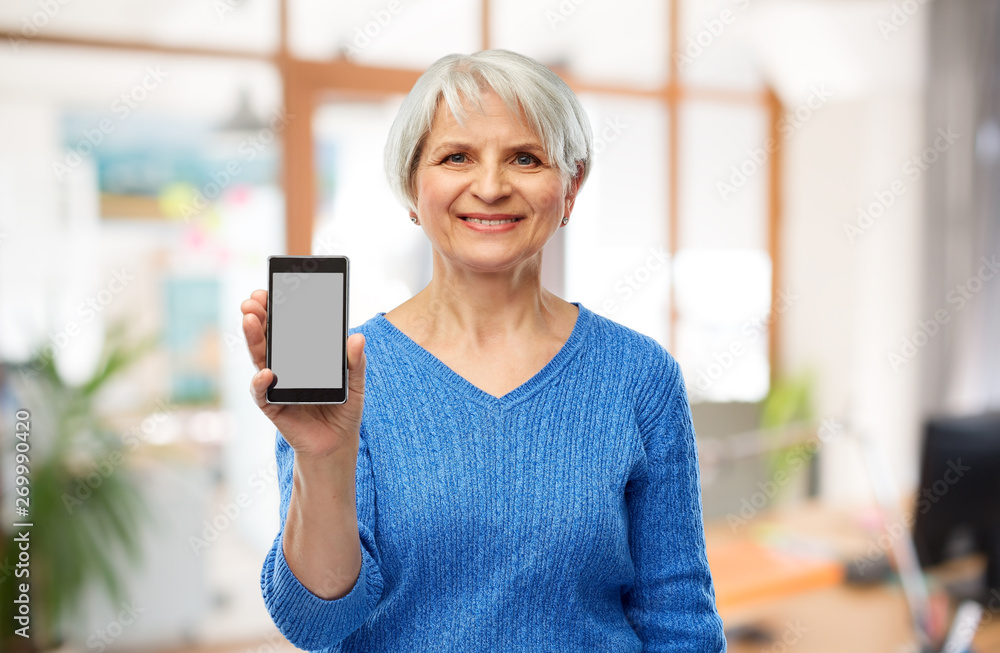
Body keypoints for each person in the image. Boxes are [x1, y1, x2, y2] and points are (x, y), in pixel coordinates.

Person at [240, 49, 726, 652]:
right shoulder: (349, 372)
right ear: (412, 186)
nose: (491, 187)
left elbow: (678, 617)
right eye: (456, 156)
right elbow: (315, 625)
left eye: (525, 157)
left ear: (569, 187)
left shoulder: (639, 375)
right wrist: (322, 459)